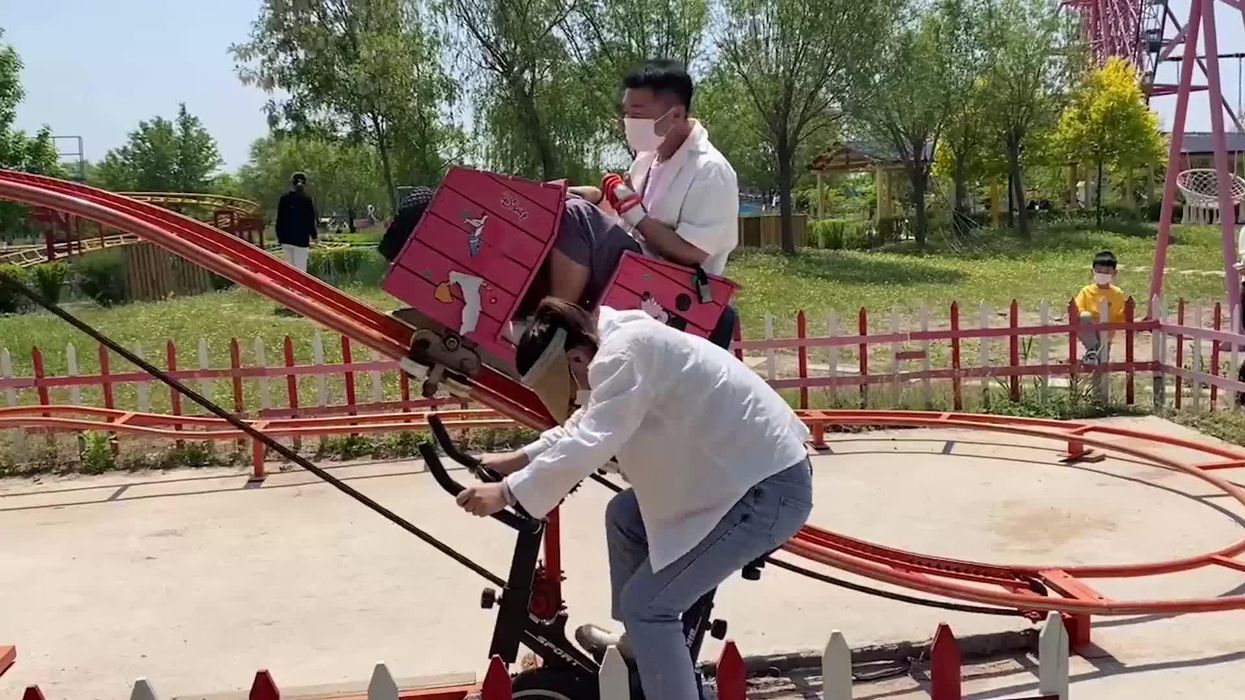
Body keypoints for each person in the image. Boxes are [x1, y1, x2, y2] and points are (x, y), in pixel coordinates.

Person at [453, 298, 812, 700]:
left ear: (575, 358)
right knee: (625, 515)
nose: (572, 396)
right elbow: (586, 422)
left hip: (765, 491)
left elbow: (591, 438)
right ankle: (642, 649)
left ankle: (649, 637)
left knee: (648, 607)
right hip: (737, 480)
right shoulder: (613, 345)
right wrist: (515, 460)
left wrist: (506, 493)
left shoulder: (624, 354)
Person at [550, 59, 740, 309]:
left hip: (669, 291)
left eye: (636, 115)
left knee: (576, 215)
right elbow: (616, 214)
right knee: (558, 209)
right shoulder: (646, 158)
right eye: (626, 113)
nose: (627, 122)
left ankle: (558, 324)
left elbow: (694, 253)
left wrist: (637, 217)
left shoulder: (710, 170)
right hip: (631, 271)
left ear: (675, 115)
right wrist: (587, 195)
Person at [1073, 251, 1126, 364]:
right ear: (1092, 272)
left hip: (1106, 334)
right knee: (1085, 316)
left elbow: (1120, 316)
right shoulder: (1086, 291)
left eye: (1107, 272)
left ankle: (1093, 357)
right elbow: (1078, 310)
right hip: (1089, 331)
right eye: (1098, 271)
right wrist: (1092, 322)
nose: (1102, 274)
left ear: (1114, 273)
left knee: (1102, 364)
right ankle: (1092, 350)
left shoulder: (1117, 293)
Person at [275, 172, 318, 272]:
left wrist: (279, 237)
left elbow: (280, 219)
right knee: (301, 269)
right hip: (301, 239)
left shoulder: (284, 199)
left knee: (289, 270)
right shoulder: (306, 200)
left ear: (292, 183)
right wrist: (314, 236)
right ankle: (300, 288)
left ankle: (289, 288)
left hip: (286, 239)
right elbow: (310, 220)